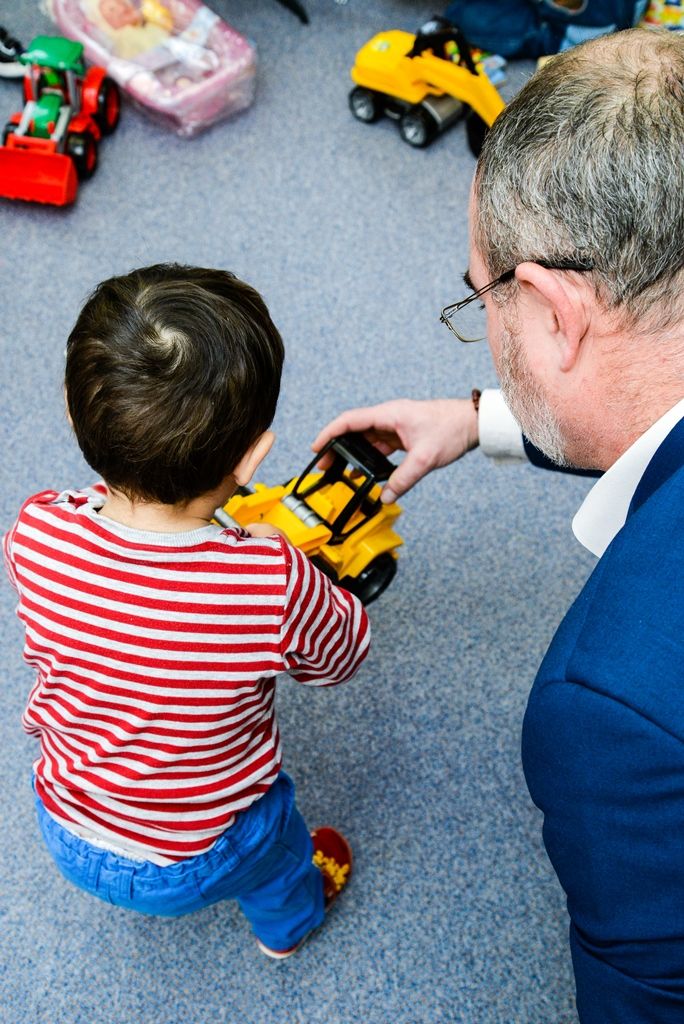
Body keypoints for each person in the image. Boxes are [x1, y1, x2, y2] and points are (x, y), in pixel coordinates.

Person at [314, 27, 684, 1022]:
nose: (482, 322)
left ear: (559, 314)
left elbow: (649, 998)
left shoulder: (608, 708)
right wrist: (480, 420)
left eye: (482, 295)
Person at [2, 264, 370, 960]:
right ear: (254, 457)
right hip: (210, 849)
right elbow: (344, 656)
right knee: (282, 849)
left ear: (71, 409)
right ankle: (287, 931)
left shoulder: (36, 529)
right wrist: (275, 555)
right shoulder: (269, 577)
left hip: (66, 824)